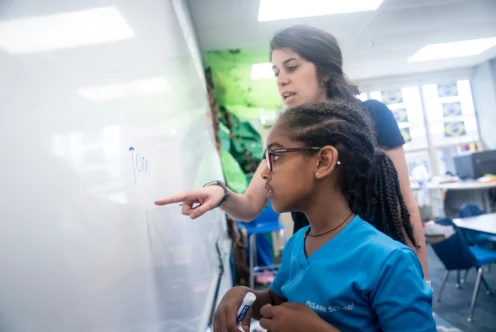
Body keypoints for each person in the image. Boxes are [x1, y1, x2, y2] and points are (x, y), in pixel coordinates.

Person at [154, 24, 428, 278]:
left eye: (292, 67)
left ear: (324, 68)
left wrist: (421, 278)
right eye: (276, 72)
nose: (281, 80)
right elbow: (250, 205)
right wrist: (221, 193)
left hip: (375, 267)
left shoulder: (372, 117)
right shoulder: (288, 134)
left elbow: (403, 204)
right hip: (313, 268)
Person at [213, 101, 435, 332]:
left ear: (323, 162)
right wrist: (244, 295)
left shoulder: (390, 261)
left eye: (275, 157)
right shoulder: (297, 244)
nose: (265, 174)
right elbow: (276, 301)